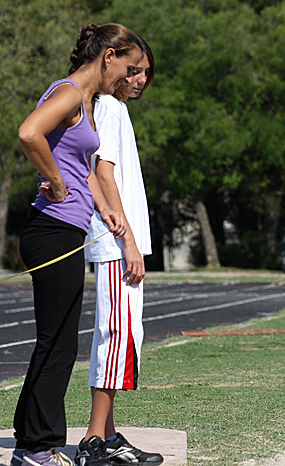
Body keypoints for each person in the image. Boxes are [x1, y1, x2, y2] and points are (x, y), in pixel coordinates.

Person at [13, 23, 139, 466]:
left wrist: (104, 207)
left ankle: (31, 441)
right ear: (108, 57)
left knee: (56, 342)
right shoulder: (69, 93)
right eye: (126, 67)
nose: (127, 79)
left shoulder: (83, 102)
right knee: (58, 345)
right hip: (51, 230)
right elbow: (30, 133)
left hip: (65, 230)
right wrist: (55, 182)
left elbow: (82, 163)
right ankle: (36, 448)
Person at [76, 39, 162, 466]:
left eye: (146, 72)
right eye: (134, 70)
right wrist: (128, 241)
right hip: (114, 244)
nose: (140, 79)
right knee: (117, 336)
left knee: (122, 336)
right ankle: (94, 438)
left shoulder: (114, 110)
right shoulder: (108, 108)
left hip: (120, 242)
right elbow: (102, 173)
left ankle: (108, 436)